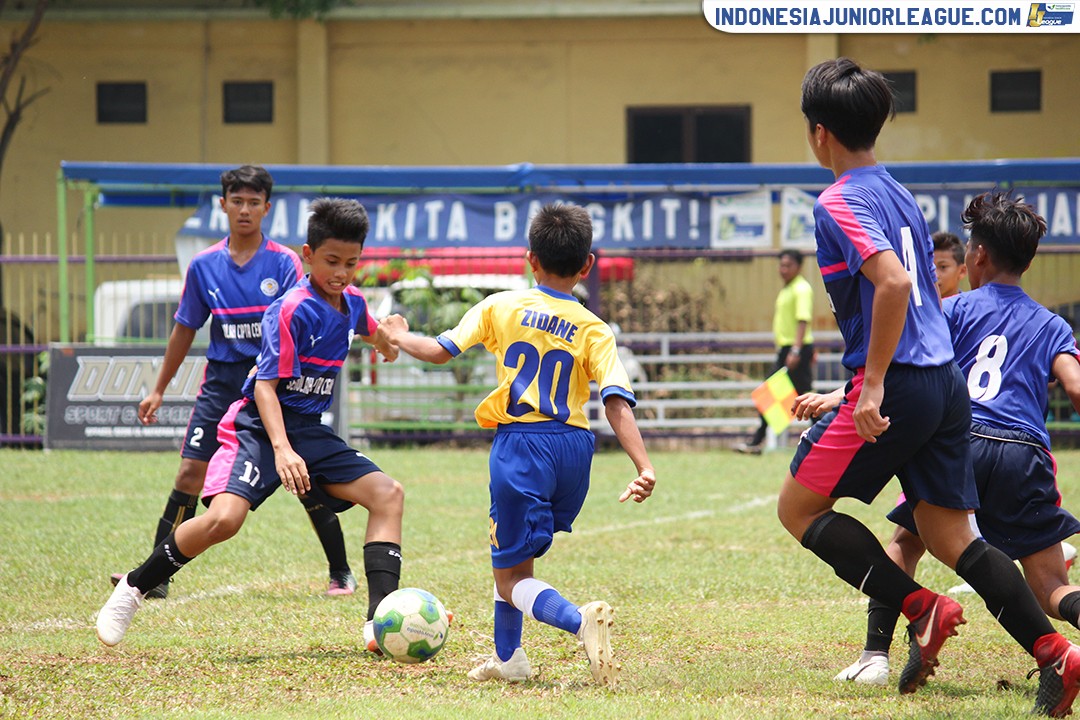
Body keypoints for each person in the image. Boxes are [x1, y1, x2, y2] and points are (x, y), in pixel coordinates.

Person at [775, 57, 1080, 717]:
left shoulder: (838, 200)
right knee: (952, 538)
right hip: (947, 386)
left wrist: (871, 385)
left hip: (905, 382)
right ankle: (1057, 654)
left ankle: (922, 606)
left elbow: (893, 283)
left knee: (797, 509)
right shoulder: (899, 192)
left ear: (818, 133)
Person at [97, 198, 404, 651]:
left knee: (388, 494)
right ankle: (133, 589)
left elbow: (380, 335)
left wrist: (390, 338)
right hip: (259, 428)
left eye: (352, 263)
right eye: (332, 262)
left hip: (308, 429)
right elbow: (264, 388)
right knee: (225, 519)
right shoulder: (290, 309)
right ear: (307, 255)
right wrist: (282, 450)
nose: (341, 273)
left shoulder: (352, 302)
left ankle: (380, 622)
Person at [380, 203, 656, 687]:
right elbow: (616, 402)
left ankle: (579, 622)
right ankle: (509, 660)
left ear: (530, 258)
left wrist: (400, 335)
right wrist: (643, 465)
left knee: (511, 578)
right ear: (587, 265)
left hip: (523, 445)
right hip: (574, 447)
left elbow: (439, 352)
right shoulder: (594, 327)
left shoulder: (500, 306)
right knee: (506, 555)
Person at [834, 202, 1080, 688]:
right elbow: (1073, 386)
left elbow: (905, 366)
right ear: (1027, 262)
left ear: (979, 255)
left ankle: (875, 655)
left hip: (957, 446)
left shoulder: (954, 309)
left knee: (906, 544)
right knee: (1052, 583)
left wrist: (839, 396)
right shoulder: (1053, 326)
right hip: (1023, 453)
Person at [115, 165, 357, 600]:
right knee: (190, 470)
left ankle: (340, 571)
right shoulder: (204, 265)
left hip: (277, 389)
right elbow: (185, 328)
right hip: (224, 385)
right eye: (237, 201)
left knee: (304, 479)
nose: (245, 210)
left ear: (267, 207)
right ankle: (155, 577)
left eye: (253, 202)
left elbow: (309, 316)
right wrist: (158, 388)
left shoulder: (285, 263)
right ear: (222, 205)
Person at [735, 249, 816, 455]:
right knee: (800, 394)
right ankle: (826, 433)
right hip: (790, 349)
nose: (783, 269)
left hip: (794, 349)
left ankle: (757, 440)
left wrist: (797, 350)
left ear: (799, 266)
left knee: (775, 392)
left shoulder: (801, 289)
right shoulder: (788, 288)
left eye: (788, 265)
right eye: (781, 265)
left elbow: (802, 320)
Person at [932, 231, 967, 299]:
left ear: (962, 271)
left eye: (943, 267)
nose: (935, 274)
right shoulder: (916, 307)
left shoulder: (971, 308)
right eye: (930, 267)